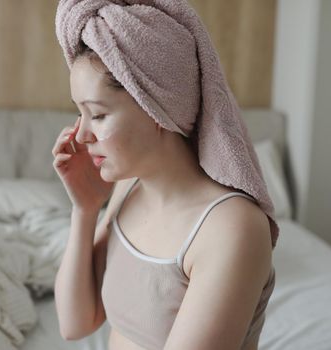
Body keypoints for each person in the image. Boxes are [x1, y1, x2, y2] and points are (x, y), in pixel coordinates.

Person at [51, 1, 278, 349]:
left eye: (96, 115)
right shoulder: (129, 188)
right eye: (79, 113)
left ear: (154, 109)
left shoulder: (231, 227)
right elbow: (75, 323)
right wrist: (85, 209)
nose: (81, 136)